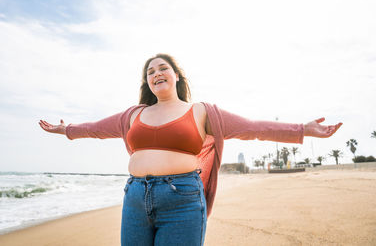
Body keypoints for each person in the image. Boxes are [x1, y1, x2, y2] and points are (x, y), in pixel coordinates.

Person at [39, 53, 342, 246]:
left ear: (176, 76)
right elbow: (95, 129)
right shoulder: (133, 114)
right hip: (134, 197)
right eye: (150, 71)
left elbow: (253, 127)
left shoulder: (201, 111)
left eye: (163, 68)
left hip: (181, 199)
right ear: (147, 81)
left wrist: (302, 129)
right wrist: (65, 130)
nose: (156, 73)